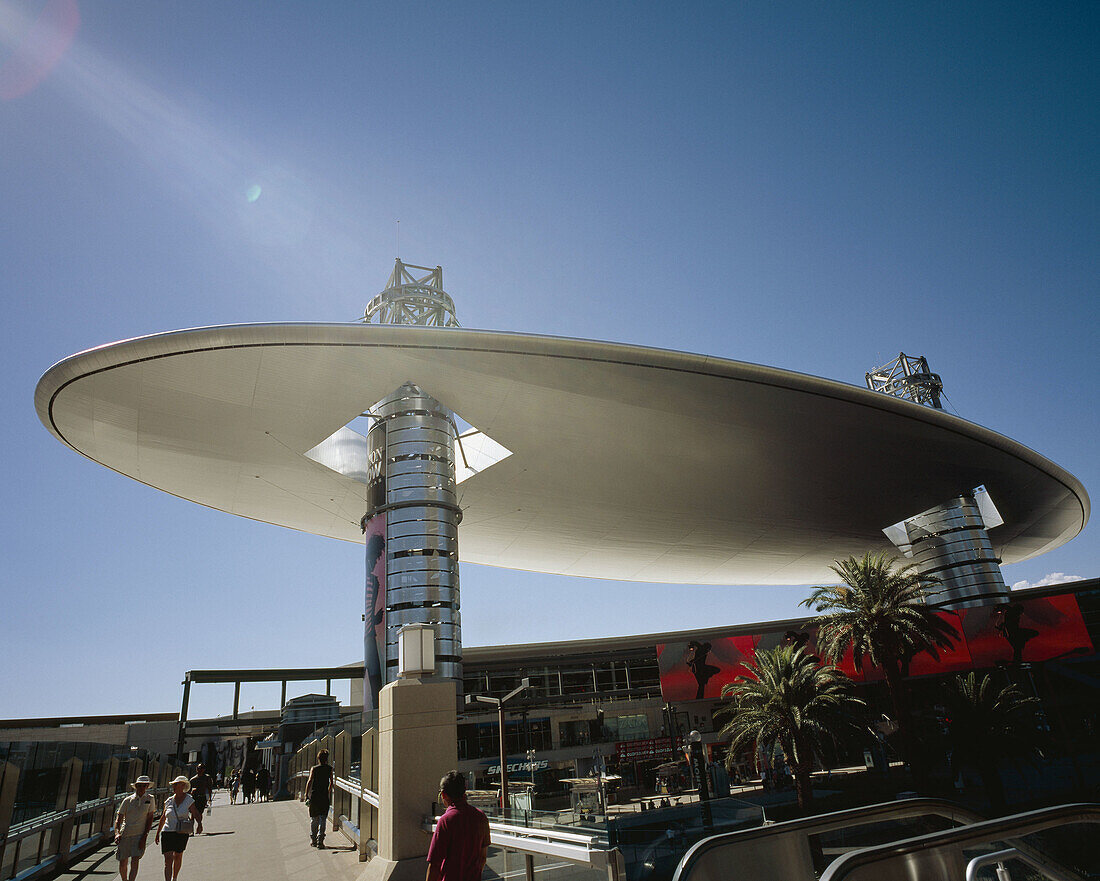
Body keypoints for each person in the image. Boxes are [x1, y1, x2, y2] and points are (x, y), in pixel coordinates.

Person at [426, 770, 490, 881]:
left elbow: (435, 865)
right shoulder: (481, 817)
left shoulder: (445, 821)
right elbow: (482, 858)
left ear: (443, 795)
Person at [155, 775, 203, 881]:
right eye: (175, 785)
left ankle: (174, 877)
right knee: (168, 859)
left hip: (181, 832)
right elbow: (163, 817)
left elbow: (195, 812)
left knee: (178, 856)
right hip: (167, 831)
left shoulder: (189, 799)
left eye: (177, 784)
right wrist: (158, 832)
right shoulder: (168, 801)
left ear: (183, 786)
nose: (175, 786)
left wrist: (199, 824)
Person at [114, 775, 156, 881]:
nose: (141, 788)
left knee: (135, 860)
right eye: (139, 786)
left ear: (147, 786)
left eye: (144, 786)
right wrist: (117, 833)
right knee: (123, 862)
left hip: (139, 834)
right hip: (126, 834)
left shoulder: (150, 799)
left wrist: (145, 836)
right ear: (136, 786)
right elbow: (119, 818)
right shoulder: (127, 800)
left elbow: (150, 818)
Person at [303, 749, 334, 848]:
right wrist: (328, 792)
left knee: (314, 818)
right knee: (323, 818)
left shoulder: (314, 769)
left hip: (315, 796)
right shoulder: (329, 769)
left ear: (318, 758)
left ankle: (313, 840)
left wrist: (306, 794)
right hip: (324, 796)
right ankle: (321, 840)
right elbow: (331, 783)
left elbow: (309, 781)